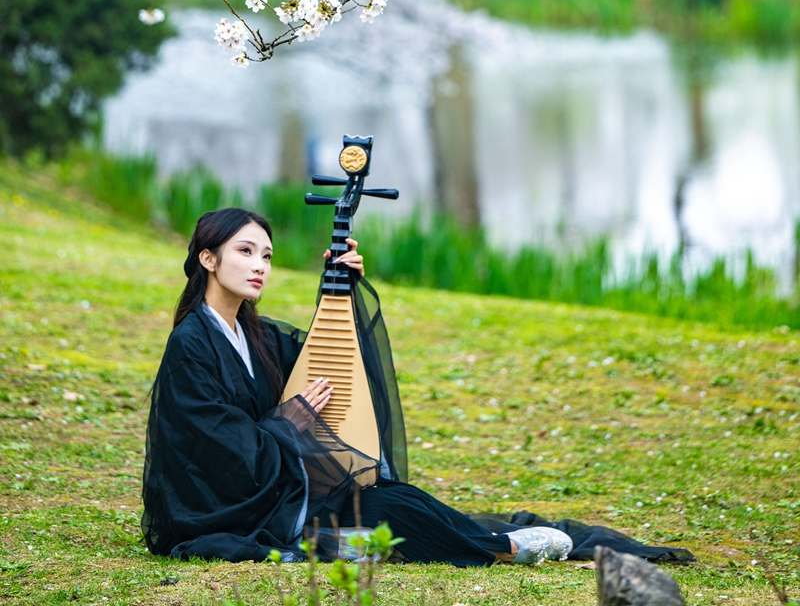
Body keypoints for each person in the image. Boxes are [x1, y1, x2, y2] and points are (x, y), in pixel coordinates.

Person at [142, 207, 694, 568]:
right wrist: (288, 424)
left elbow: (323, 360)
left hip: (280, 489)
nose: (260, 265)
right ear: (207, 259)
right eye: (244, 252)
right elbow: (212, 448)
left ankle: (509, 542)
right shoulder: (192, 344)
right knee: (392, 519)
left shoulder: (254, 333)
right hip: (232, 509)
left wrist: (339, 286)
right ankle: (506, 549)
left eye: (266, 255)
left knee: (395, 500)